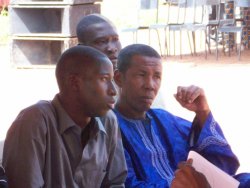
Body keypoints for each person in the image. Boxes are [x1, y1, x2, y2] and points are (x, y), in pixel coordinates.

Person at [113, 43, 239, 187]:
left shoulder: (166, 119)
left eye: (157, 77)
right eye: (142, 75)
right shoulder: (110, 128)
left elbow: (223, 165)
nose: (150, 85)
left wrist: (202, 112)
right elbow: (124, 183)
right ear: (118, 78)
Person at [2, 46, 127, 188]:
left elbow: (115, 183)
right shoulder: (34, 121)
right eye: (104, 79)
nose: (113, 90)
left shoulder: (108, 120)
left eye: (112, 80)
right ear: (74, 82)